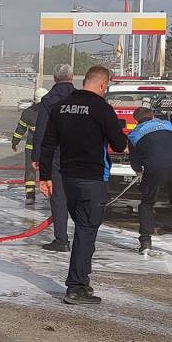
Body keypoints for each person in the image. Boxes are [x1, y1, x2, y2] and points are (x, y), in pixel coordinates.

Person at [39, 65, 127, 305]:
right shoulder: (102, 108)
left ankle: (82, 281)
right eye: (106, 87)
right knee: (86, 232)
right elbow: (119, 144)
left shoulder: (60, 107)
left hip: (67, 179)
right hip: (91, 180)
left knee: (82, 231)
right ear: (102, 84)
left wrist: (44, 177)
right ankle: (76, 287)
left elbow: (47, 144)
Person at [32, 64, 76, 252]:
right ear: (72, 77)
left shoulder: (48, 100)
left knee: (58, 198)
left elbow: (41, 130)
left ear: (54, 78)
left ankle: (62, 239)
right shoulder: (80, 98)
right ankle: (85, 240)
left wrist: (37, 157)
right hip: (78, 153)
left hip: (57, 154)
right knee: (81, 196)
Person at [128, 108, 172, 252]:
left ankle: (145, 241)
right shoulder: (167, 125)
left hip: (154, 168)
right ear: (153, 116)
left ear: (136, 121)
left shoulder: (133, 134)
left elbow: (135, 161)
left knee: (147, 203)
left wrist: (139, 171)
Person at [12, 87, 48, 205]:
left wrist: (15, 142)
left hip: (31, 148)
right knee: (49, 171)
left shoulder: (28, 112)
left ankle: (30, 197)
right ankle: (50, 194)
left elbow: (20, 129)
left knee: (30, 172)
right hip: (47, 148)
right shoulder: (52, 111)